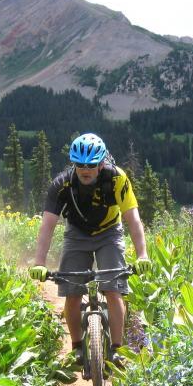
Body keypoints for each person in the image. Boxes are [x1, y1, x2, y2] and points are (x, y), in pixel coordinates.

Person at [29, 133, 152, 365]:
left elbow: (133, 220)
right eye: (79, 164)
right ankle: (76, 346)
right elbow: (47, 226)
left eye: (91, 165)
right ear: (73, 163)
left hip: (109, 232)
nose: (85, 170)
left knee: (113, 288)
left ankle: (117, 350)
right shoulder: (62, 184)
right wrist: (39, 262)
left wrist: (142, 255)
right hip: (77, 234)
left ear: (102, 163)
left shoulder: (117, 179)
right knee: (72, 292)